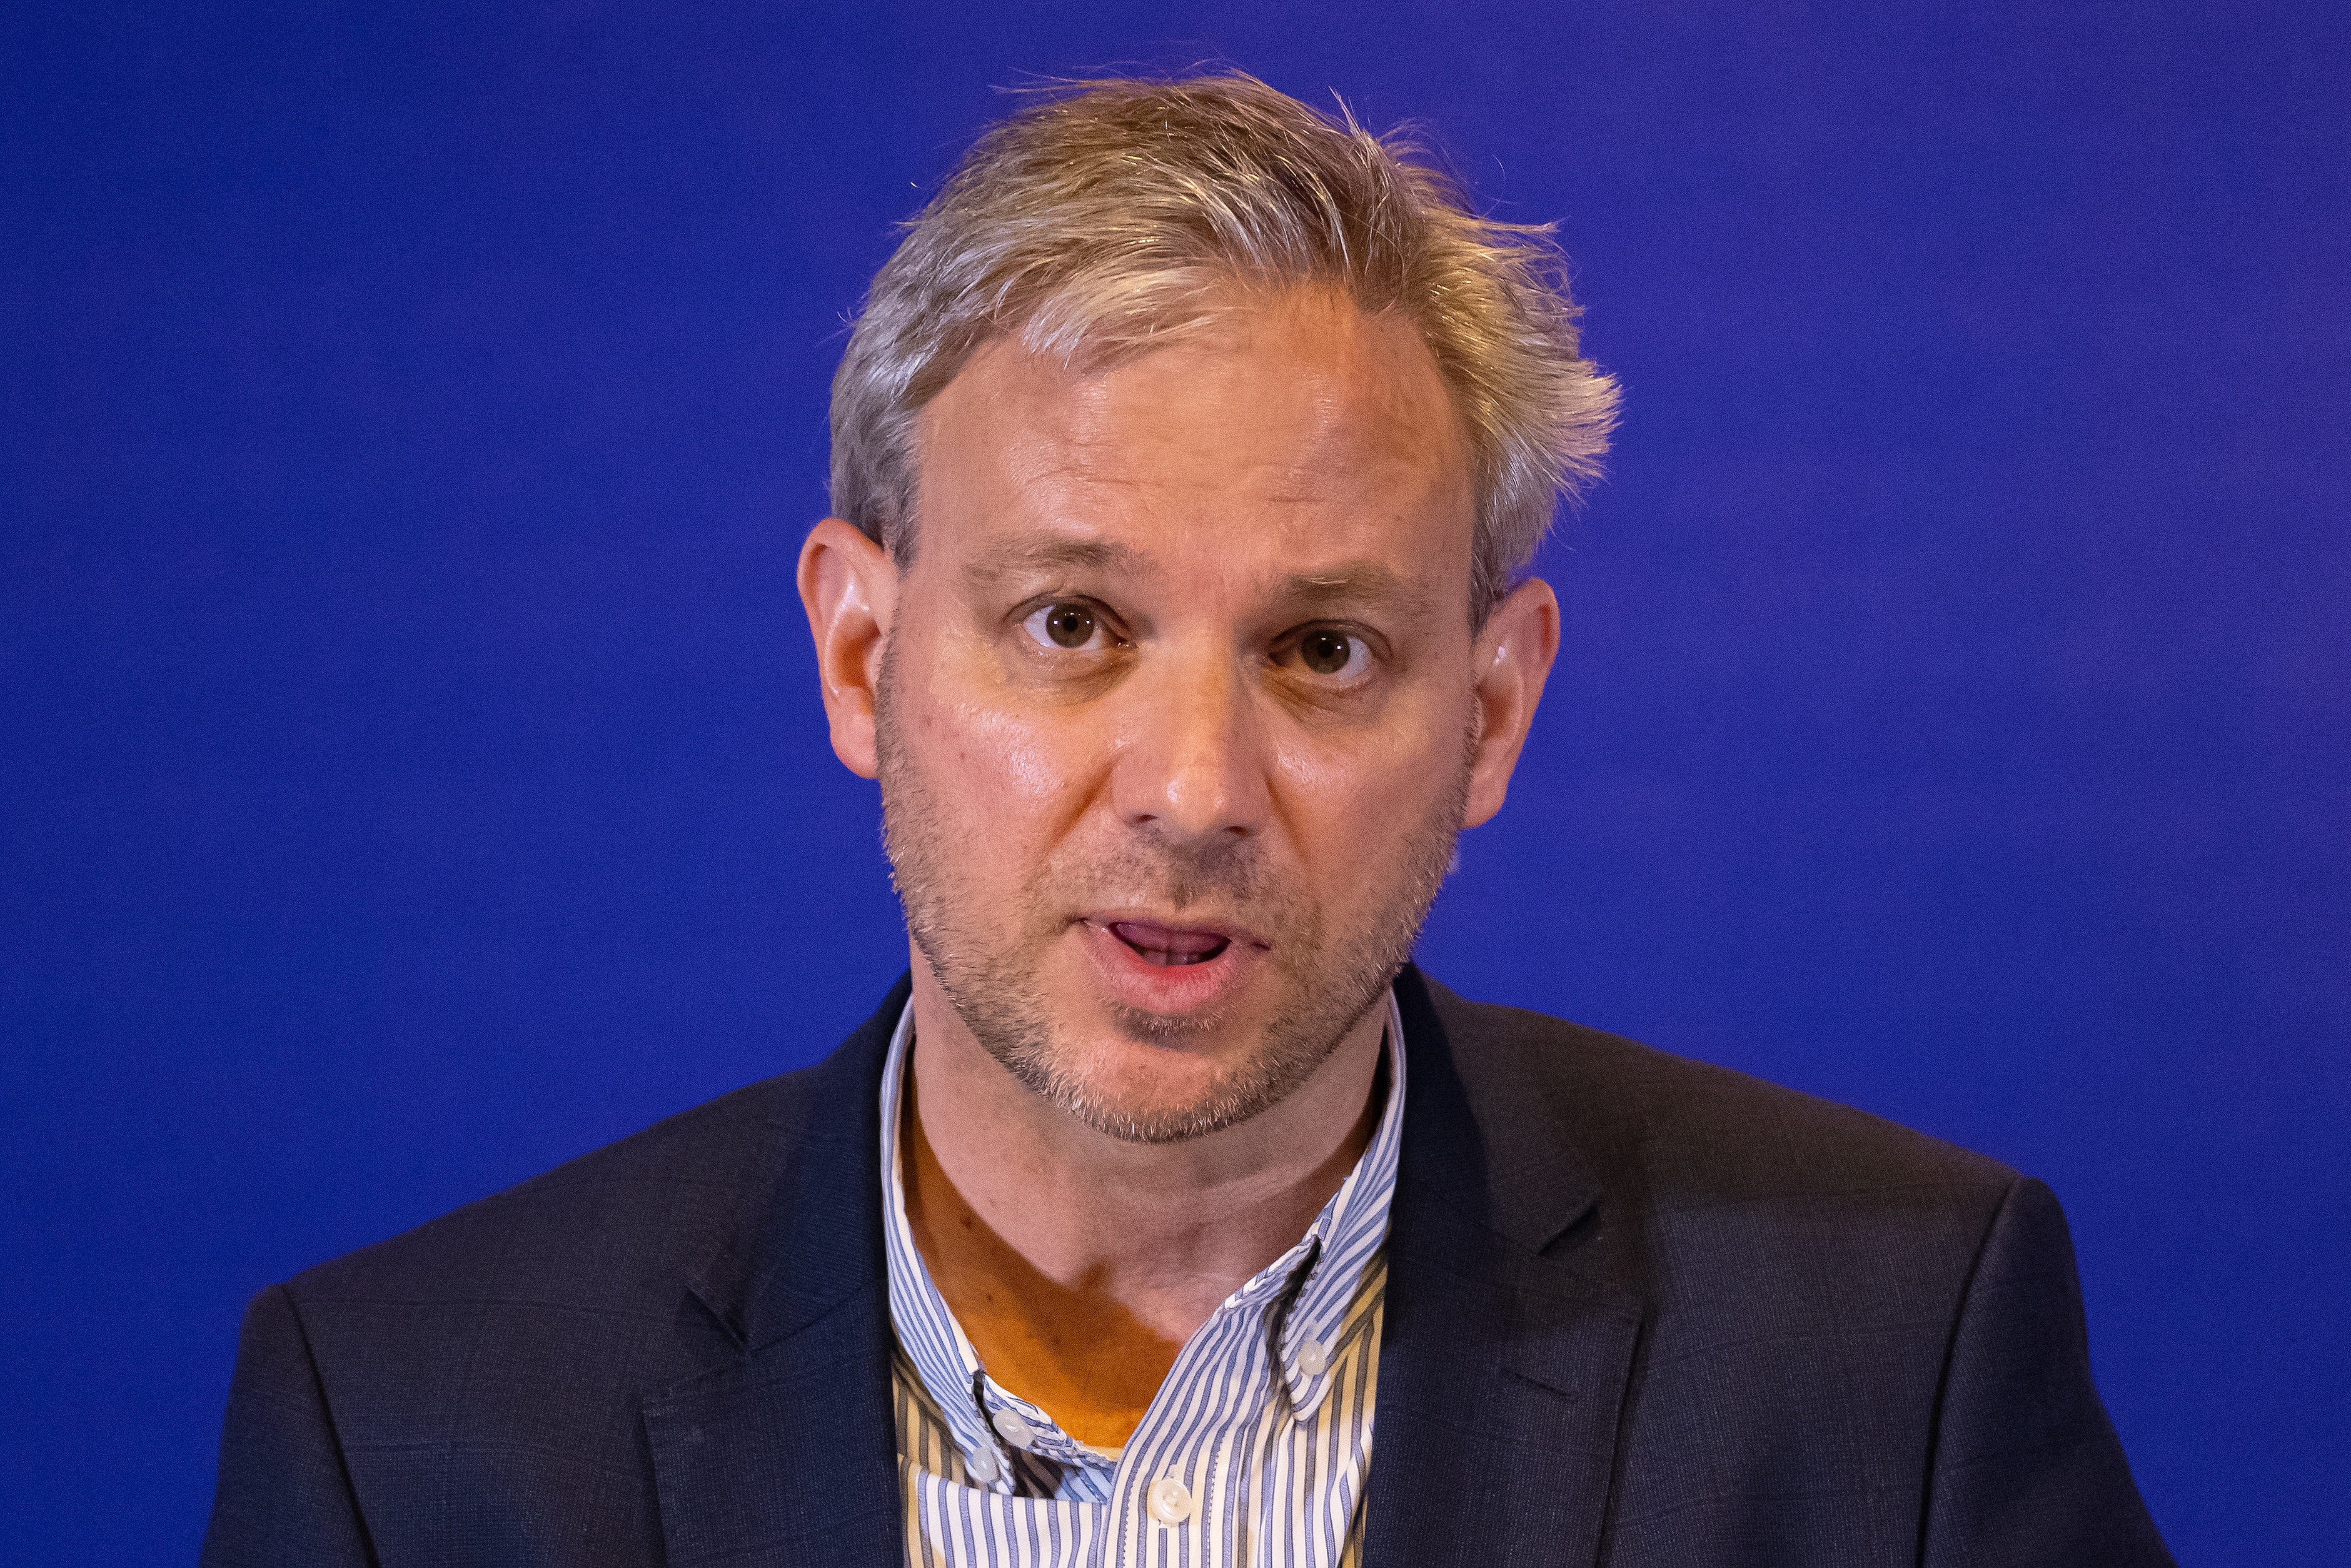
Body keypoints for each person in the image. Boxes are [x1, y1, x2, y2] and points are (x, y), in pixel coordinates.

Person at [203, 73, 2174, 1567]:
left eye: (1322, 648)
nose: (1193, 788)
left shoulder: (1887, 1359)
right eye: (1074, 624)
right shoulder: (411, 1433)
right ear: (859, 654)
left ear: (1489, 714)